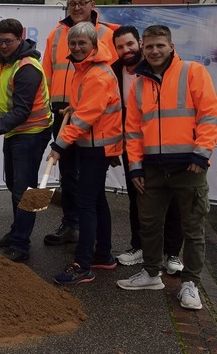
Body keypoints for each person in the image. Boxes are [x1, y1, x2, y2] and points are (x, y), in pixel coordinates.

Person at [117, 25, 217, 310]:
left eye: (160, 45)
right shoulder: (138, 83)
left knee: (193, 228)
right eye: (149, 46)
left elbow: (209, 115)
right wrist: (135, 167)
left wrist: (201, 154)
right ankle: (150, 273)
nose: (154, 51)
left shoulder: (193, 72)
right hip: (152, 169)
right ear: (143, 48)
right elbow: (133, 131)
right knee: (148, 224)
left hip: (189, 167)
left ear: (171, 46)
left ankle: (190, 284)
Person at [42, 0, 119, 246]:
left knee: (89, 181)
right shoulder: (56, 33)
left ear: (92, 4)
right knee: (68, 173)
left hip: (92, 115)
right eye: (72, 3)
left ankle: (93, 237)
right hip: (62, 110)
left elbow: (111, 78)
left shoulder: (106, 33)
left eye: (82, 3)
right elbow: (47, 73)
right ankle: (71, 223)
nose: (76, 7)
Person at [0, 18, 51, 261]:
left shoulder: (27, 67)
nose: (3, 45)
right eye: (0, 40)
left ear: (20, 39)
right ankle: (17, 232)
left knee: (24, 192)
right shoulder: (5, 60)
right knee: (14, 186)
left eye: (8, 41)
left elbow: (23, 110)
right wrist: (0, 105)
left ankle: (21, 245)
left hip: (32, 132)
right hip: (16, 131)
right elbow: (11, 97)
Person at [49, 22, 122, 285]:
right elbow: (86, 107)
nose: (77, 48)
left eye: (82, 43)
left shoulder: (97, 74)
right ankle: (103, 255)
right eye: (73, 43)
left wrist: (59, 146)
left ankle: (83, 265)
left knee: (86, 203)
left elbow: (86, 118)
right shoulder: (85, 69)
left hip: (96, 145)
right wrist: (73, 107)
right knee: (97, 200)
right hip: (95, 144)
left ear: (94, 45)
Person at [111, 26, 184, 274]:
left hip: (166, 147)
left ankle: (172, 252)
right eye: (120, 46)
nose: (126, 50)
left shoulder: (158, 70)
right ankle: (139, 246)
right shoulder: (114, 72)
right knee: (137, 199)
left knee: (173, 201)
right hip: (132, 146)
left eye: (130, 44)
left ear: (139, 43)